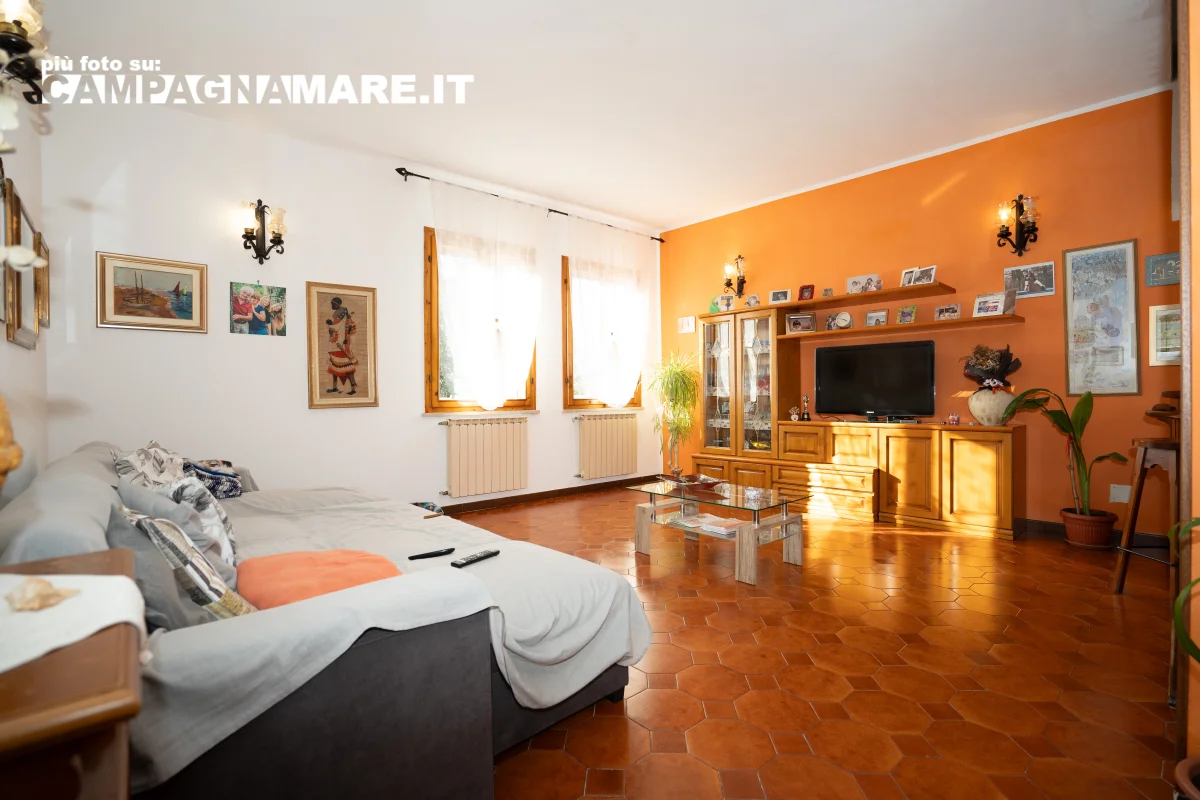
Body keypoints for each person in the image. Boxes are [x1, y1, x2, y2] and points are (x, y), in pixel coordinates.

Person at [325, 297, 359, 395]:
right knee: (334, 367)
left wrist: (346, 336)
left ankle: (353, 389)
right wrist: (330, 325)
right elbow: (335, 329)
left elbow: (350, 327)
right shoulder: (337, 316)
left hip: (342, 345)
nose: (331, 306)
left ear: (337, 305)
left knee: (348, 368)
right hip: (335, 344)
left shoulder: (345, 315)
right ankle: (334, 387)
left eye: (333, 304)